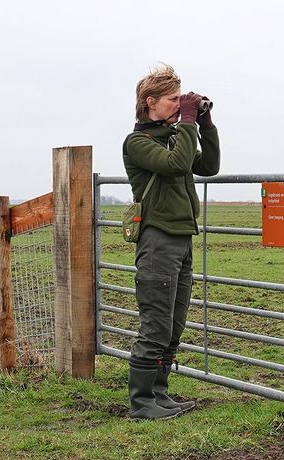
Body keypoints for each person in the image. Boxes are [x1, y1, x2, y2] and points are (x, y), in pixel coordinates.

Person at [123, 64, 220, 419]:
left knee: (174, 323)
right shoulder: (138, 142)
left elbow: (208, 166)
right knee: (156, 324)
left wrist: (205, 125)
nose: (180, 105)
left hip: (181, 238)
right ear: (151, 102)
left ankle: (159, 393)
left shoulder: (170, 137)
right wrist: (189, 122)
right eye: (173, 99)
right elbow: (179, 165)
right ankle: (141, 402)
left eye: (182, 99)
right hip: (158, 241)